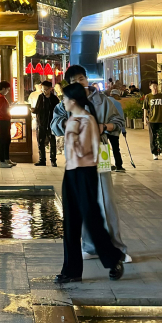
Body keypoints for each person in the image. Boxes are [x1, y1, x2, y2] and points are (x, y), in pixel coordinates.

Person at [53, 82, 125, 285]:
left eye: (65, 98)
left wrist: (73, 133)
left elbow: (84, 151)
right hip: (71, 174)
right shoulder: (73, 119)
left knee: (91, 220)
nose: (63, 102)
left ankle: (113, 257)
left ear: (73, 101)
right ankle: (72, 270)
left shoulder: (87, 120)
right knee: (70, 223)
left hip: (85, 173)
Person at [33, 79, 59, 166]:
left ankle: (53, 160)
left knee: (52, 142)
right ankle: (42, 160)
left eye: (45, 89)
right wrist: (33, 110)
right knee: (41, 142)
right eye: (43, 89)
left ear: (50, 89)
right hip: (41, 123)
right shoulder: (41, 97)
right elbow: (37, 109)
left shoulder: (54, 99)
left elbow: (57, 111)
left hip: (51, 124)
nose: (44, 91)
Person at [143, 82, 162, 159]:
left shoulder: (161, 96)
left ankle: (160, 150)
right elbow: (145, 108)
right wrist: (144, 119)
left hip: (160, 119)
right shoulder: (148, 96)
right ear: (150, 87)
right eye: (153, 86)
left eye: (156, 86)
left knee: (161, 136)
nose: (155, 88)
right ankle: (154, 153)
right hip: (152, 120)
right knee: (153, 137)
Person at [0, 80, 13, 167]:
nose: (8, 91)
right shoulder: (0, 97)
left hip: (3, 120)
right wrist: (10, 108)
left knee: (7, 140)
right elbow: (3, 110)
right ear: (3, 88)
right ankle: (2, 161)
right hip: (3, 120)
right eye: (7, 90)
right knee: (3, 141)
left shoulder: (0, 96)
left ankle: (6, 159)